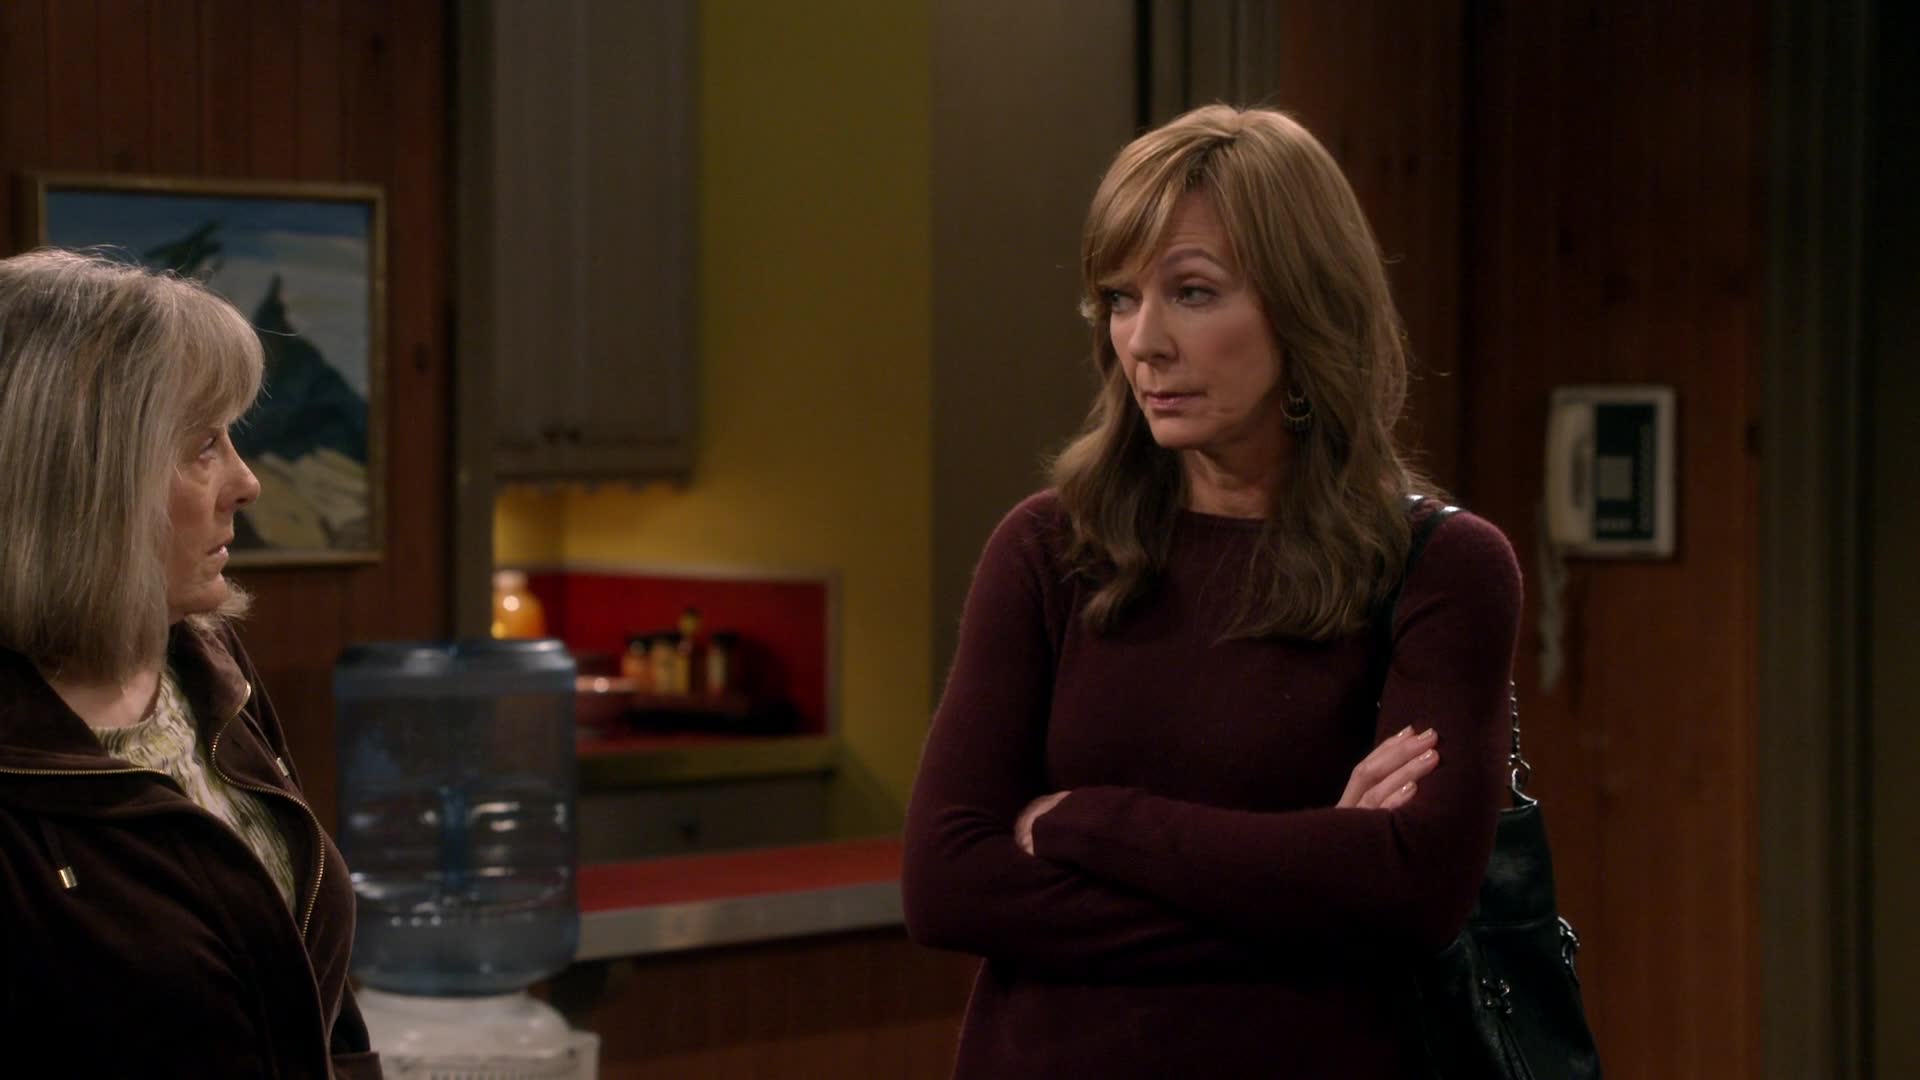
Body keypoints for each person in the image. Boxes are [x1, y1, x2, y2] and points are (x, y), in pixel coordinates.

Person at [902, 105, 1522, 1078]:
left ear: (1304, 306)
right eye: (1119, 298)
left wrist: (1080, 823)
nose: (1143, 341)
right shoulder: (1050, 549)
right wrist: (1311, 882)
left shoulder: (1441, 568)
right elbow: (949, 885)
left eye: (1192, 292)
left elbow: (1412, 894)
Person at [0, 250, 380, 1078]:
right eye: (204, 444)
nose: (246, 482)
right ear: (80, 483)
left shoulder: (204, 667)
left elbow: (317, 1001)